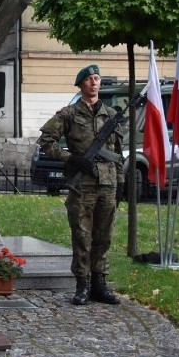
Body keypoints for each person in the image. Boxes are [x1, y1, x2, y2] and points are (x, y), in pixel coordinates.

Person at [38, 65, 124, 306]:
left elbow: (117, 153)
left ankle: (100, 283)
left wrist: (121, 182)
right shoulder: (69, 114)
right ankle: (83, 284)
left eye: (96, 79)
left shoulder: (109, 114)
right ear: (80, 85)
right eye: (88, 79)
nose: (94, 83)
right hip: (82, 185)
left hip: (107, 183)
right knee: (82, 234)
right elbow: (46, 140)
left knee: (104, 236)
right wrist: (70, 158)